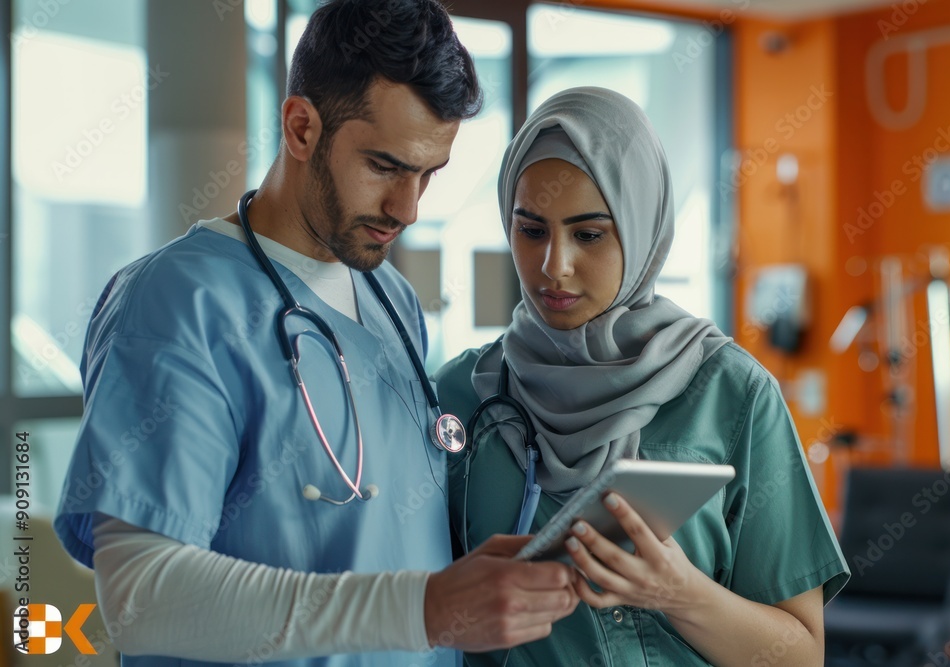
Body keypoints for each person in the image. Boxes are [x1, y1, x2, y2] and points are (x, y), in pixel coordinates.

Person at [52, 3, 578, 667]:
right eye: (385, 166)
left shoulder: (391, 298)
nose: (408, 208)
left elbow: (379, 534)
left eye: (428, 174)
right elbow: (141, 598)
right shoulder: (179, 303)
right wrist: (424, 607)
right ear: (301, 127)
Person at [433, 87, 851, 666]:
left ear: (642, 224)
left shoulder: (729, 392)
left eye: (589, 234)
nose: (555, 265)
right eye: (531, 230)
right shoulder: (460, 396)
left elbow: (801, 655)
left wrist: (681, 595)